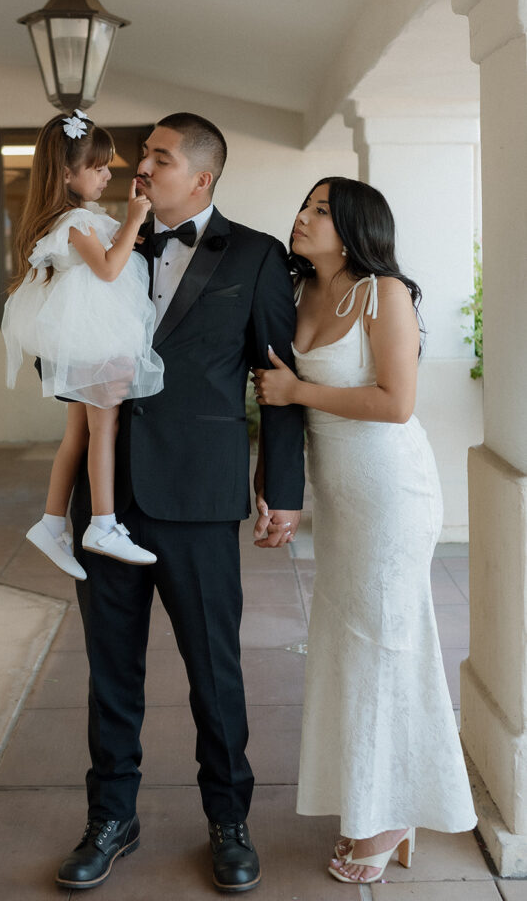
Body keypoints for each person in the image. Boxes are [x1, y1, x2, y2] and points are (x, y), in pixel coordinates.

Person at [54, 113, 305, 894]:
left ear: (199, 177)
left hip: (199, 494)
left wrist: (282, 488)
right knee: (109, 670)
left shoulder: (259, 256)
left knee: (214, 669)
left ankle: (228, 820)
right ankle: (111, 817)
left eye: (158, 157)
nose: (139, 166)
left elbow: (277, 384)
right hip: (106, 497)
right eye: (142, 154)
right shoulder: (99, 238)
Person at [252, 177, 476, 885]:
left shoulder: (385, 293)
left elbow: (394, 401)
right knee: (351, 646)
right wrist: (272, 482)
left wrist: (296, 390)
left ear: (352, 227)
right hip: (339, 496)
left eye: (320, 210)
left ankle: (387, 815)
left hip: (390, 489)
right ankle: (377, 799)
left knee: (382, 642)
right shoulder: (298, 294)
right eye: (303, 205)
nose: (302, 217)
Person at [2, 111, 164, 578]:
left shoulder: (75, 216)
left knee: (79, 432)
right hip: (97, 334)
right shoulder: (74, 218)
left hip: (85, 334)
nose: (108, 174)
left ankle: (53, 522)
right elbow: (110, 269)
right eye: (98, 167)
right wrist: (135, 219)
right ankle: (102, 522)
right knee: (104, 428)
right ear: (67, 173)